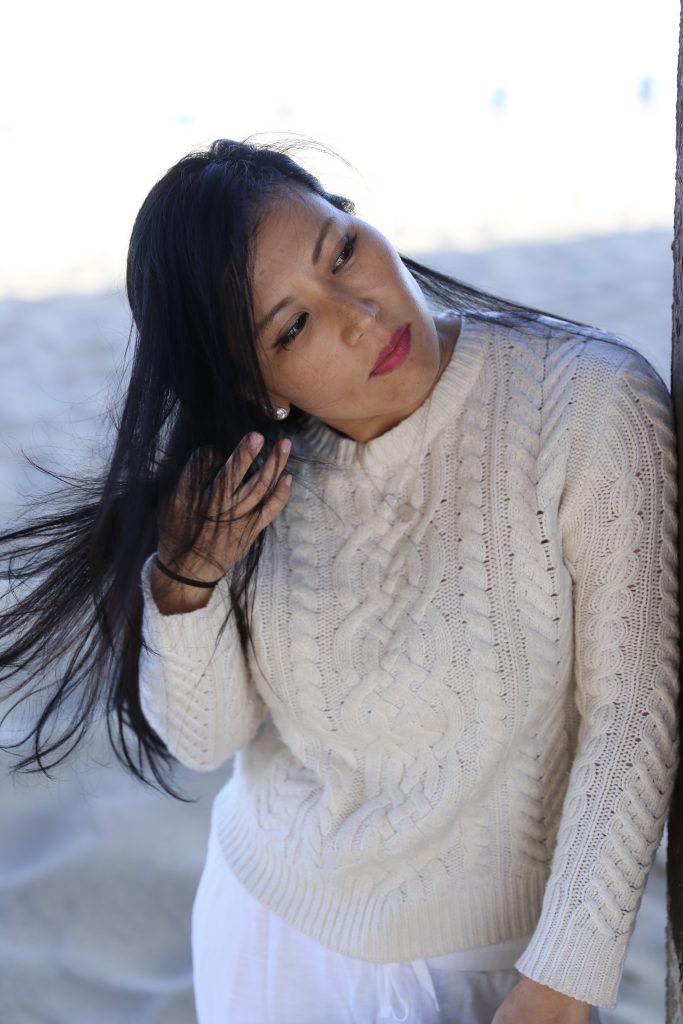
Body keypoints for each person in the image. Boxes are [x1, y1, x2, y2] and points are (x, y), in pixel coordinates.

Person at [0, 137, 678, 1024]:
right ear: (257, 380)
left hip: (478, 973)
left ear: (354, 216)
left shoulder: (589, 404)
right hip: (262, 932)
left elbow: (631, 714)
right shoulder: (251, 479)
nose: (359, 313)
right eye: (293, 327)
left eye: (340, 251)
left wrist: (561, 983)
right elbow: (207, 742)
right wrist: (185, 583)